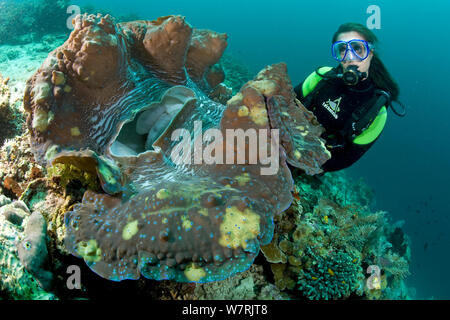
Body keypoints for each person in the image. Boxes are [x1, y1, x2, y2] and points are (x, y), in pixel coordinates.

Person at [295, 22, 405, 172]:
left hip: (310, 162)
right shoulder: (321, 76)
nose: (350, 57)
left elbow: (346, 158)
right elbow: (287, 103)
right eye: (342, 49)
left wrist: (304, 162)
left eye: (357, 48)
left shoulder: (377, 110)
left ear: (370, 53)